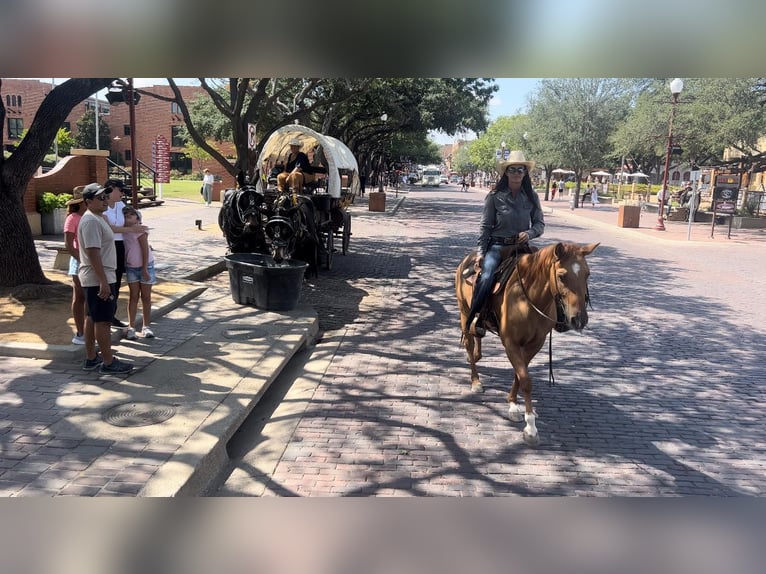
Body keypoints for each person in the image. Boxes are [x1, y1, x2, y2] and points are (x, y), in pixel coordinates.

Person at [466, 150, 545, 337]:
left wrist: (530, 233)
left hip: (521, 248)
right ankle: (476, 317)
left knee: (548, 274)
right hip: (498, 247)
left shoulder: (532, 197)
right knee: (486, 278)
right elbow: (485, 226)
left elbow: (540, 224)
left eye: (521, 169)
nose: (517, 173)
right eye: (513, 169)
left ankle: (553, 318)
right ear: (506, 173)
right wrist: (481, 252)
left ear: (525, 173)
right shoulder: (494, 196)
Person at [77, 183, 134, 375]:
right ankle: (108, 363)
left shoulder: (98, 218)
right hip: (98, 277)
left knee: (93, 317)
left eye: (105, 197)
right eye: (100, 198)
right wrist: (103, 281)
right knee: (103, 321)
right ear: (88, 201)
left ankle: (91, 358)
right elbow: (93, 253)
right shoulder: (91, 221)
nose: (104, 200)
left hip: (99, 276)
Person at [102, 179, 147, 328]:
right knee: (108, 280)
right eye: (120, 190)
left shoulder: (121, 206)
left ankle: (112, 314)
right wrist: (132, 230)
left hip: (121, 245)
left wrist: (138, 228)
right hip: (108, 246)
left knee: (117, 280)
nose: (122, 193)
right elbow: (109, 228)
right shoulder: (102, 206)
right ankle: (104, 316)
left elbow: (131, 219)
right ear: (111, 188)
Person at [122, 206, 156, 340]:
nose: (128, 218)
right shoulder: (123, 232)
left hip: (145, 266)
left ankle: (146, 326)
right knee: (133, 296)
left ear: (137, 218)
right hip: (131, 267)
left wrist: (144, 269)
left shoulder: (140, 231)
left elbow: (144, 250)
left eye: (131, 215)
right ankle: (131, 326)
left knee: (146, 297)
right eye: (125, 216)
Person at [63, 190, 86, 345]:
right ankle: (80, 332)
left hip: (89, 260)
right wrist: (81, 260)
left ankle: (88, 329)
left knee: (89, 297)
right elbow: (69, 245)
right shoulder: (72, 218)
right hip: (79, 261)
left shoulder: (88, 217)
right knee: (79, 297)